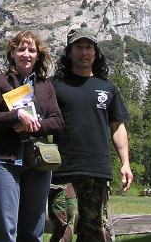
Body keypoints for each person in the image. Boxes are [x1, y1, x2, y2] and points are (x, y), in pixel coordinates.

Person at [50, 28, 133, 241]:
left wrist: (125, 163)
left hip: (97, 171)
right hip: (62, 170)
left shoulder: (107, 87)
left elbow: (117, 126)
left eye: (88, 48)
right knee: (63, 231)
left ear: (95, 53)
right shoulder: (54, 85)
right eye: (79, 47)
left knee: (95, 231)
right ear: (69, 52)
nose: (84, 52)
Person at [0, 30, 64, 242]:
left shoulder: (46, 86)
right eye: (21, 49)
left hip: (38, 165)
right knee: (4, 231)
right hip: (4, 163)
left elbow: (57, 122)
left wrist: (34, 126)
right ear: (13, 54)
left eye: (31, 50)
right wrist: (15, 116)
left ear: (38, 55)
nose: (26, 54)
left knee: (33, 233)